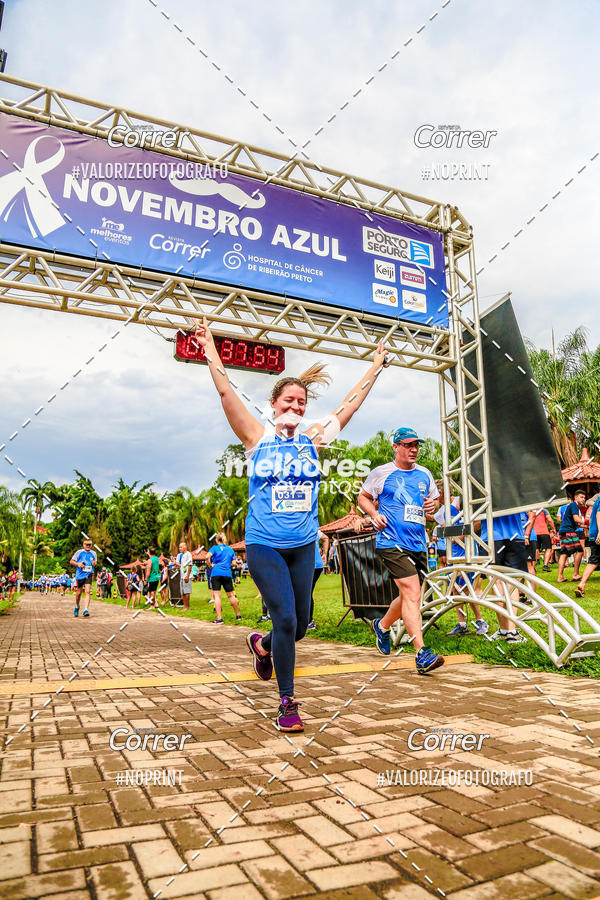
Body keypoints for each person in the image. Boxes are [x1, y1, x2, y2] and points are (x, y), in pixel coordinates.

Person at [194, 316, 388, 733]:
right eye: (289, 401)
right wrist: (209, 346)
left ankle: (262, 646)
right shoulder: (256, 438)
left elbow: (349, 406)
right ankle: (286, 702)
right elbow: (226, 389)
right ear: (274, 404)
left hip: (303, 546)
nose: (297, 407)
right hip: (264, 544)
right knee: (284, 619)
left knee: (298, 625)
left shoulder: (312, 440)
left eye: (302, 402)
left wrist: (374, 368)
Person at [357, 427, 444, 673]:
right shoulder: (382, 473)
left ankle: (381, 626)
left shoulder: (425, 474)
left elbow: (433, 504)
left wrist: (432, 504)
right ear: (396, 447)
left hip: (418, 542)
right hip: (391, 542)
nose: (413, 449)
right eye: (407, 445)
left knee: (409, 596)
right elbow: (362, 497)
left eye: (416, 445)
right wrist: (374, 514)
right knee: (413, 593)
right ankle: (421, 653)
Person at [435, 495, 488, 636]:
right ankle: (462, 624)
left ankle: (480, 621)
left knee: (467, 590)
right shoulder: (445, 511)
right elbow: (444, 530)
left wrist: (459, 536)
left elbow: (478, 523)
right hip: (453, 554)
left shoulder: (468, 504)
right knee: (455, 589)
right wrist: (452, 534)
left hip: (468, 553)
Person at [478, 513, 528, 642]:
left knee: (497, 582)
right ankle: (510, 630)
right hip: (514, 534)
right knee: (511, 583)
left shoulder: (478, 491)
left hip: (490, 536)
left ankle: (505, 629)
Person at [207, 532, 241, 623]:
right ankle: (238, 615)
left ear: (216, 540)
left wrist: (210, 565)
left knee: (217, 596)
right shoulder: (230, 549)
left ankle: (219, 618)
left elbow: (207, 556)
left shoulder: (214, 548)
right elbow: (234, 563)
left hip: (216, 573)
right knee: (231, 595)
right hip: (227, 573)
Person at [557, 490, 586, 583]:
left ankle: (560, 577)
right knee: (580, 551)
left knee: (564, 553)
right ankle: (575, 574)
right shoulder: (574, 505)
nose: (583, 499)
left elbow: (576, 523)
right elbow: (576, 519)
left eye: (584, 498)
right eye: (581, 497)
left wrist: (586, 526)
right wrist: (587, 521)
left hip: (564, 530)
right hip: (568, 531)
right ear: (576, 497)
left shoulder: (573, 507)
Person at [575, 494, 600, 598]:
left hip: (593, 533)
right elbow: (599, 514)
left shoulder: (597, 500)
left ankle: (582, 584)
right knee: (594, 560)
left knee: (593, 561)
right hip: (598, 534)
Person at [70, 539, 97, 618]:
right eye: (86, 544)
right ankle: (77, 606)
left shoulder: (94, 553)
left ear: (91, 545)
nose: (88, 546)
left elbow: (95, 563)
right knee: (79, 593)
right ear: (83, 545)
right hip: (80, 574)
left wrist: (94, 564)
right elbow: (71, 561)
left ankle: (86, 609)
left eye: (90, 545)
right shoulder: (79, 552)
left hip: (89, 574)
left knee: (88, 591)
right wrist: (78, 564)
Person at [307, 530, 328, 630]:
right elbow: (326, 538)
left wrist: (325, 554)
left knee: (306, 592)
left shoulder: (309, 527)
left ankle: (309, 621)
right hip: (316, 565)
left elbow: (326, 538)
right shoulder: (314, 527)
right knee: (305, 592)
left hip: (313, 565)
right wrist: (325, 554)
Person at [176, 541, 193, 610]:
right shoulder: (182, 555)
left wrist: (187, 576)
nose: (179, 548)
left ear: (185, 547)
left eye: (181, 547)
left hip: (186, 576)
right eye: (179, 547)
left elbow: (190, 565)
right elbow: (182, 566)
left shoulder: (188, 554)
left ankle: (187, 607)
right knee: (183, 592)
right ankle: (184, 606)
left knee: (187, 591)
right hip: (182, 576)